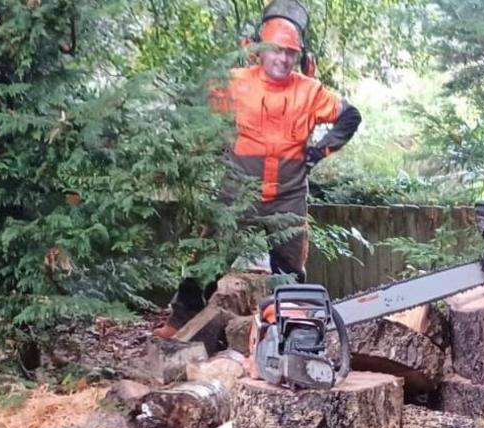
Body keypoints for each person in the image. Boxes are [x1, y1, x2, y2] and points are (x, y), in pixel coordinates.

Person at [154, 15, 361, 338]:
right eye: (276, 50)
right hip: (239, 190)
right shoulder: (235, 82)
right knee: (209, 257)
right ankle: (179, 322)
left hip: (289, 193)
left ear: (299, 57)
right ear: (259, 51)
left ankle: (291, 332)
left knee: (290, 271)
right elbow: (194, 106)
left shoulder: (309, 90)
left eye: (290, 53)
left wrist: (320, 151)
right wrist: (212, 143)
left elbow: (350, 116)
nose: (283, 58)